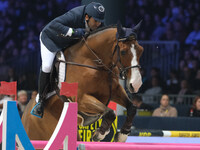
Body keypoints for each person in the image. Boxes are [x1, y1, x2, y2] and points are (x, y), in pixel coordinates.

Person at [31, 2, 106, 118]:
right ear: (87, 17)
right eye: (96, 21)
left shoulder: (98, 23)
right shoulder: (75, 15)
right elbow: (54, 26)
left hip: (68, 43)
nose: (98, 23)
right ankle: (40, 101)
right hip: (51, 39)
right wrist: (75, 32)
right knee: (47, 66)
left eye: (100, 21)